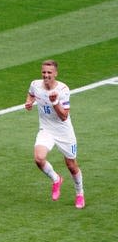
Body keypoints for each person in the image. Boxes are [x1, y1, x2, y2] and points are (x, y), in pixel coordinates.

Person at [24, 60, 85, 209]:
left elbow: (64, 116)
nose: (46, 75)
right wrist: (29, 102)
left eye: (49, 73)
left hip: (64, 132)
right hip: (46, 129)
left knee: (71, 165)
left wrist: (55, 101)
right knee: (39, 158)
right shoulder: (35, 84)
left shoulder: (63, 90)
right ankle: (56, 179)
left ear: (55, 73)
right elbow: (31, 94)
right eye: (44, 72)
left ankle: (79, 193)